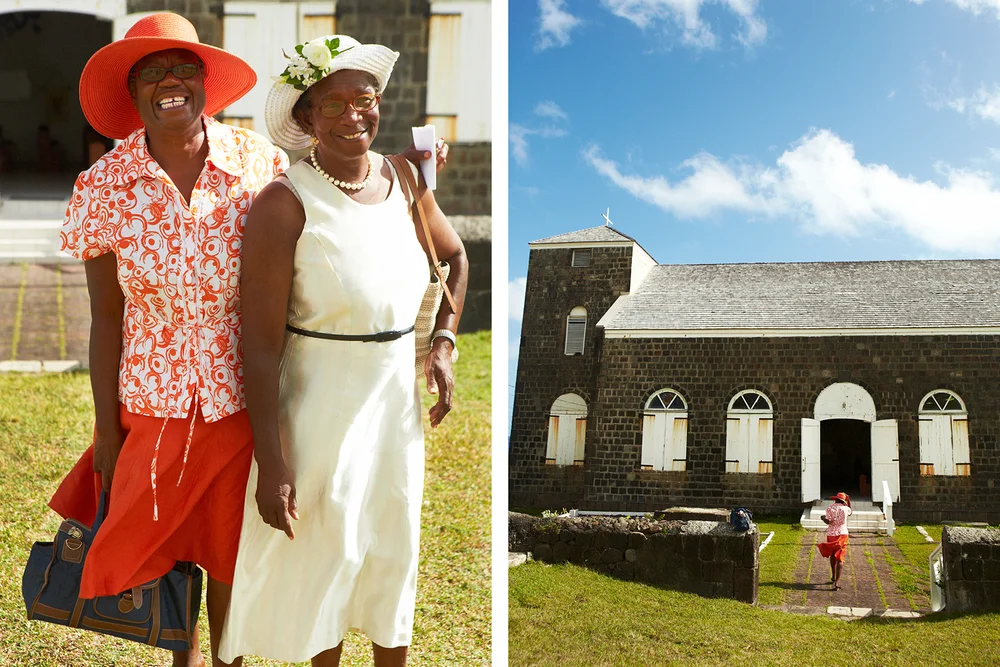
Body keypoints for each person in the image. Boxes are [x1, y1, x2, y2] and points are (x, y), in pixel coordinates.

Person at [46, 15, 443, 667]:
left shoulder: (257, 164)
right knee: (168, 569)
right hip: (152, 406)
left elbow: (336, 208)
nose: (170, 83)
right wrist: (108, 434)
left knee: (232, 561)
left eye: (183, 69)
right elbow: (106, 321)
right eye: (152, 72)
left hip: (240, 405)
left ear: (205, 83)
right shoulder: (103, 187)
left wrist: (419, 173)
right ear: (133, 91)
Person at [217, 35, 468, 666]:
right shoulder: (283, 203)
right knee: (325, 557)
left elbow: (456, 258)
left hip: (394, 404)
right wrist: (272, 466)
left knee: (393, 550)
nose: (354, 115)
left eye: (366, 98)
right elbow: (259, 346)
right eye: (333, 105)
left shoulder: (407, 180)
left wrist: (442, 341)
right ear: (305, 119)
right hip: (319, 404)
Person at [817, 491, 853, 590]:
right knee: (840, 558)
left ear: (835, 499)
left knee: (833, 555)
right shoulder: (846, 509)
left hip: (831, 534)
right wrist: (848, 501)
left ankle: (833, 575)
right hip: (843, 534)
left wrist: (823, 518)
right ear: (844, 501)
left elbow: (828, 521)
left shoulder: (830, 508)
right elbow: (851, 512)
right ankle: (837, 581)